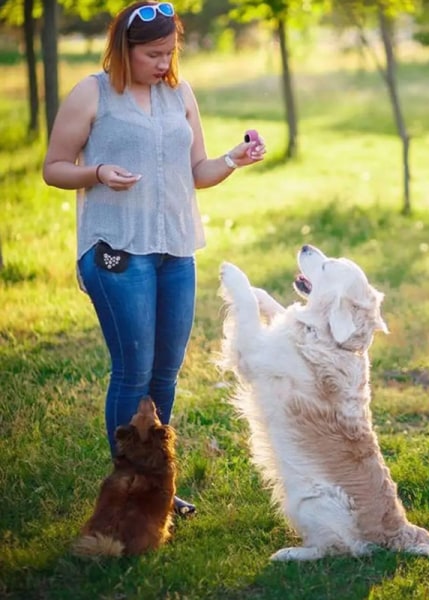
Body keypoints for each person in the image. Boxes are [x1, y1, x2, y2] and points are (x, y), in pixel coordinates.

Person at [43, 1, 266, 516]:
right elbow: (54, 168)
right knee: (133, 368)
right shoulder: (92, 93)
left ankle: (154, 483)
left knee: (165, 372)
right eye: (152, 54)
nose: (164, 63)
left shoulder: (179, 94)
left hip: (176, 250)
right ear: (125, 49)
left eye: (170, 52)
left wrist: (234, 158)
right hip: (116, 249)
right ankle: (130, 486)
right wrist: (97, 172)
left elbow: (199, 172)